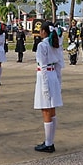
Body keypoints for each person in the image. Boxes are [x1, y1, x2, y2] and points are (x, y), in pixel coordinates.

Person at [33, 22, 64, 153]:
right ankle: (50, 141)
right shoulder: (55, 44)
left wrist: (45, 87)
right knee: (52, 109)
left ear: (44, 32)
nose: (39, 32)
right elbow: (59, 65)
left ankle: (48, 143)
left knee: (46, 110)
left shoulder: (42, 45)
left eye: (40, 30)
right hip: (53, 76)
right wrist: (58, 81)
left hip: (44, 76)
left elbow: (43, 67)